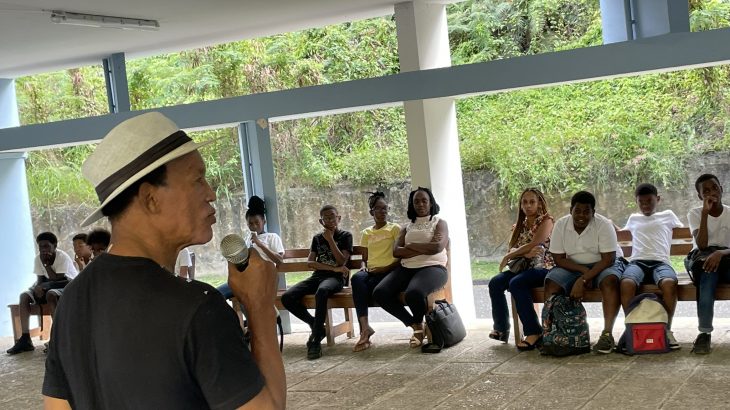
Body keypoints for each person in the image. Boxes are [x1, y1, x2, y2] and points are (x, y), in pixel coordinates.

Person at [42, 112, 285, 409]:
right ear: (151, 199)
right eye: (198, 179)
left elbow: (56, 405)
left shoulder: (72, 300)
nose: (211, 193)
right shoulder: (198, 308)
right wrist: (260, 310)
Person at [544, 191, 623, 354]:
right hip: (573, 266)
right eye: (577, 211)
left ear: (593, 212)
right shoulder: (561, 225)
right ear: (570, 210)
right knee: (551, 282)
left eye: (586, 211)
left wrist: (583, 279)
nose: (581, 215)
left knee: (610, 281)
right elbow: (559, 259)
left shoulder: (603, 224)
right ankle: (552, 334)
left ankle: (607, 335)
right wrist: (583, 272)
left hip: (604, 264)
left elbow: (608, 259)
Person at [373, 187, 449, 348]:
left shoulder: (439, 223)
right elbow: (396, 252)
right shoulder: (406, 227)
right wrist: (425, 247)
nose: (420, 204)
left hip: (433, 268)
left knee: (413, 293)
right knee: (380, 293)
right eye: (416, 201)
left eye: (424, 201)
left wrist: (411, 246)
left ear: (431, 203)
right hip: (406, 268)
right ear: (412, 204)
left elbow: (437, 247)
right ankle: (415, 324)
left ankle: (419, 329)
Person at [281, 204, 352, 360]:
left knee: (322, 291)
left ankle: (315, 340)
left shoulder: (346, 236)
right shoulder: (317, 238)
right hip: (318, 276)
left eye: (333, 217)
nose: (330, 220)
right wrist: (334, 268)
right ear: (321, 221)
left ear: (339, 218)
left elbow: (342, 261)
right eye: (326, 218)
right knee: (287, 297)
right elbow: (311, 263)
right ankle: (317, 327)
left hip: (336, 279)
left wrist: (331, 240)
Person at [489, 188, 554, 350]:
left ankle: (534, 332)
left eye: (532, 202)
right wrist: (524, 254)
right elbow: (513, 248)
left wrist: (508, 256)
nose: (528, 205)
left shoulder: (547, 221)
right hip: (523, 267)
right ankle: (501, 329)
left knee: (517, 283)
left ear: (539, 204)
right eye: (524, 202)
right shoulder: (519, 225)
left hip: (544, 267)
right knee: (495, 282)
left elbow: (536, 243)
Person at [619, 183, 682, 349]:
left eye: (649, 201)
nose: (645, 205)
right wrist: (610, 224)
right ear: (636, 202)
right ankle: (631, 327)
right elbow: (621, 232)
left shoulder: (668, 215)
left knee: (669, 283)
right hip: (637, 262)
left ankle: (666, 330)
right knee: (626, 283)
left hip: (660, 263)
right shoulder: (633, 219)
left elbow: (686, 232)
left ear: (658, 199)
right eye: (641, 202)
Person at [6, 232, 77, 355]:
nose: (43, 250)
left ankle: (58, 338)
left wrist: (47, 265)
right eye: (40, 247)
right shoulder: (38, 258)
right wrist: (38, 289)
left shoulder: (62, 257)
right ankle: (25, 339)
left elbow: (59, 279)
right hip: (48, 286)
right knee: (24, 296)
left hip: (67, 286)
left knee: (51, 294)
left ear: (55, 245)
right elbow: (40, 280)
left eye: (46, 246)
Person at [350, 192, 400, 352]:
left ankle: (364, 332)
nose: (382, 211)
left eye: (385, 208)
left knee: (364, 288)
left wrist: (384, 268)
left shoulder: (394, 229)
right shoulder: (366, 233)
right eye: (378, 208)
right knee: (357, 279)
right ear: (371, 212)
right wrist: (363, 267)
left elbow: (399, 256)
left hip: (389, 271)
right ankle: (365, 328)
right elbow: (364, 259)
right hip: (371, 272)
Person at [686, 174, 730, 354]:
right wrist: (705, 213)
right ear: (700, 196)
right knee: (707, 276)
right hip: (702, 258)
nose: (712, 193)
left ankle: (704, 333)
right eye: (706, 191)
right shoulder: (695, 213)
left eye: (715, 188)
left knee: (713, 269)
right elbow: (702, 244)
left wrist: (720, 253)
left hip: (726, 258)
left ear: (721, 189)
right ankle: (704, 333)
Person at [218, 195, 285, 299]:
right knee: (217, 294)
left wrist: (260, 244)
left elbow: (279, 260)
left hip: (262, 280)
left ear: (264, 221)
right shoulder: (247, 240)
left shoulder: (272, 237)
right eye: (250, 223)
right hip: (244, 278)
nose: (254, 226)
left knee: (239, 296)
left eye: (257, 223)